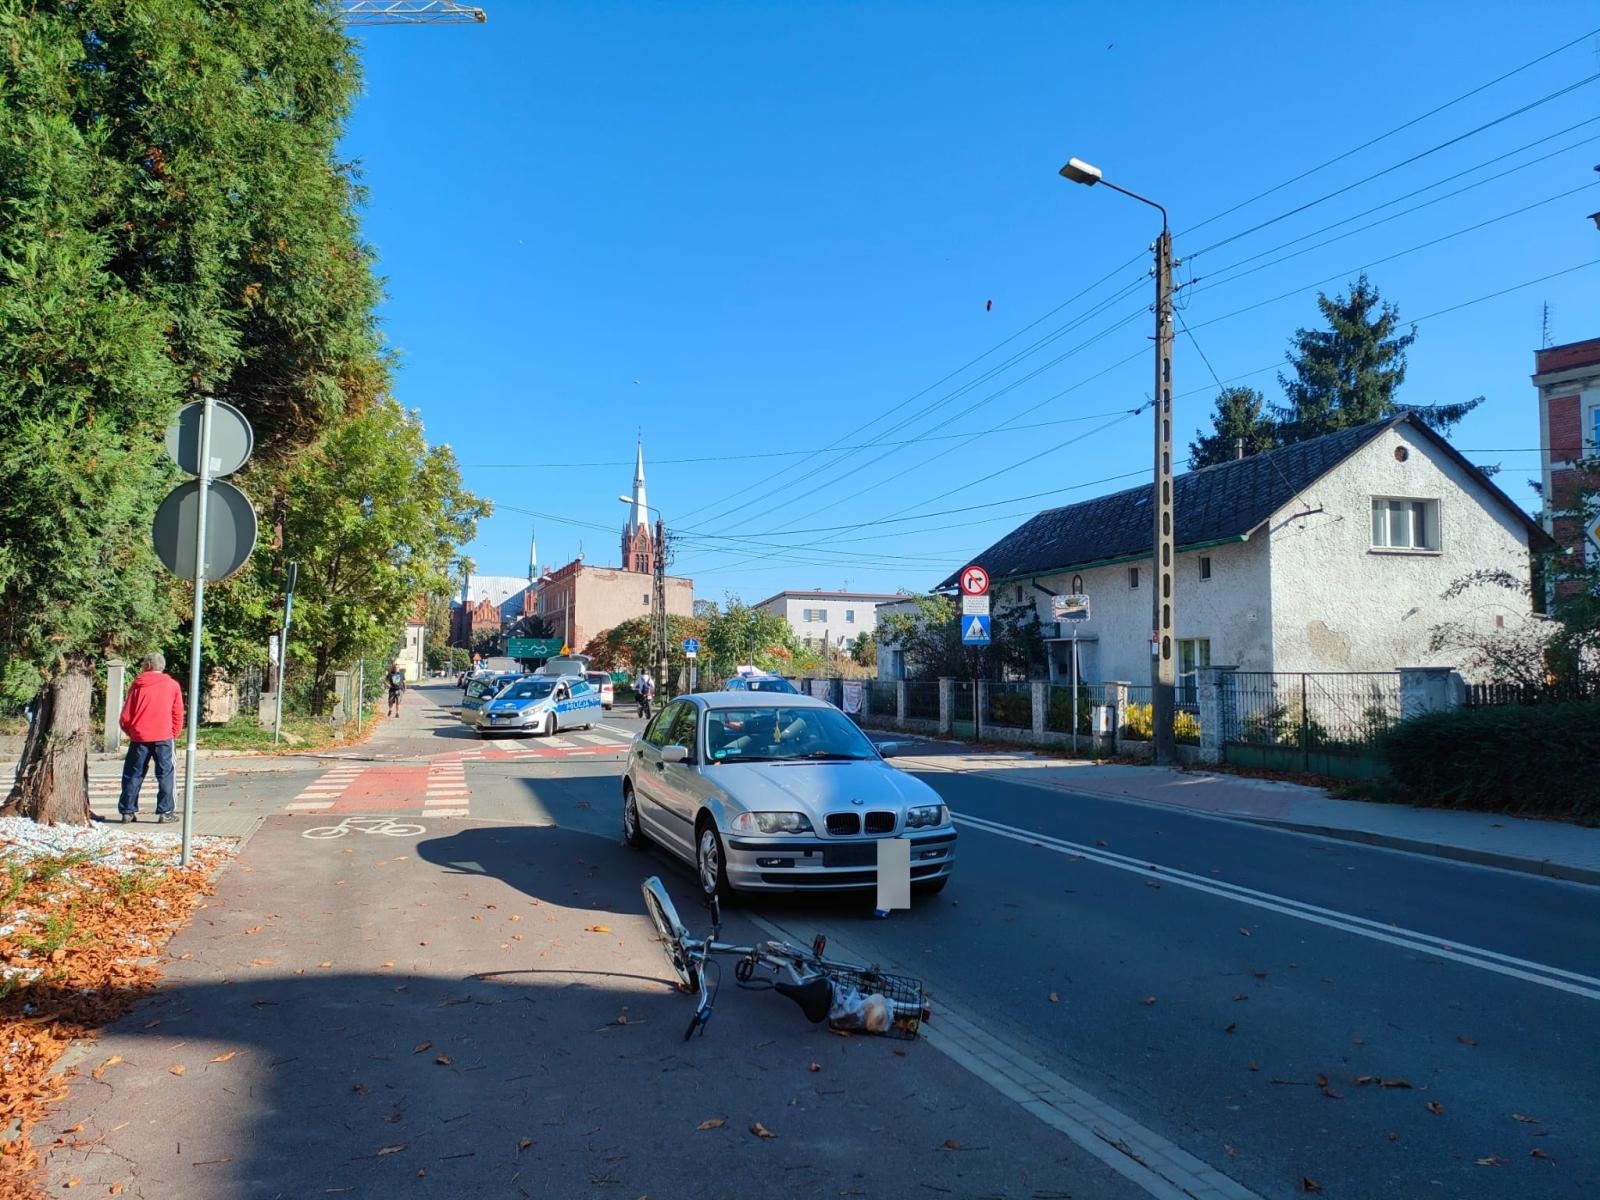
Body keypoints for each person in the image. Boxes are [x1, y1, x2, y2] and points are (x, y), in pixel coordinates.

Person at [117, 652, 184, 824]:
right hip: (164, 736)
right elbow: (177, 712)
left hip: (139, 736)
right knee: (166, 774)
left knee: (133, 773)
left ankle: (127, 811)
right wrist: (174, 732)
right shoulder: (172, 685)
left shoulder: (138, 685)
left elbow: (126, 714)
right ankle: (165, 811)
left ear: (148, 665)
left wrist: (130, 731)